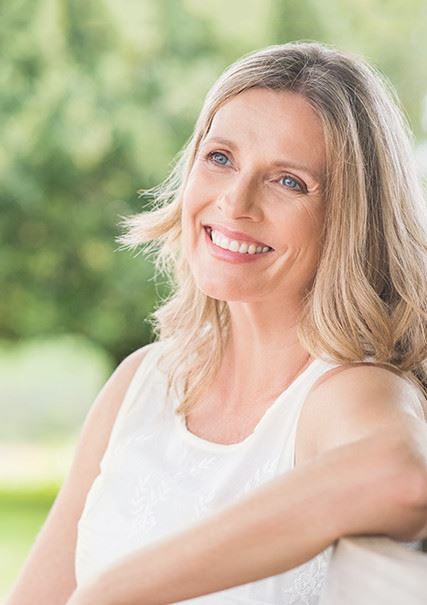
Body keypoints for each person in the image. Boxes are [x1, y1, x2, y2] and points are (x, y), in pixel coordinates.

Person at [6, 41, 427, 605]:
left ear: (350, 219)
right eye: (221, 158)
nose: (235, 203)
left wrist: (117, 591)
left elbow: (402, 478)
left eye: (289, 181)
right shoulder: (143, 381)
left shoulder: (348, 391)